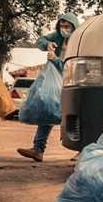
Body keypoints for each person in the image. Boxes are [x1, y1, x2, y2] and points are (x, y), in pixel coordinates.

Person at [17, 12, 80, 162]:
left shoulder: (78, 40)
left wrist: (56, 60)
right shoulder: (58, 37)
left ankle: (82, 150)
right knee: (48, 111)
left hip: (72, 81)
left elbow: (71, 66)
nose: (64, 29)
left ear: (74, 27)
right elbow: (41, 40)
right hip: (56, 82)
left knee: (76, 116)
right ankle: (38, 149)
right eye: (62, 26)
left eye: (67, 26)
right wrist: (47, 44)